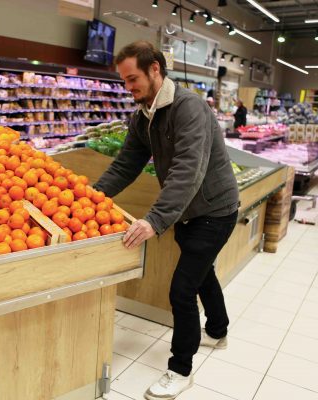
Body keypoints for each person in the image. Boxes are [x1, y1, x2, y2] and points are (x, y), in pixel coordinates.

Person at [93, 41, 239, 400]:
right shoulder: (143, 114)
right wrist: (91, 196)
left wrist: (154, 221)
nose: (129, 88)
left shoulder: (189, 108)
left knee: (182, 290)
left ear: (155, 69)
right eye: (125, 81)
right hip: (188, 213)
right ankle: (218, 331)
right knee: (203, 273)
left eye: (133, 79)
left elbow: (188, 171)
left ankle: (180, 369)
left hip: (215, 210)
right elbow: (126, 163)